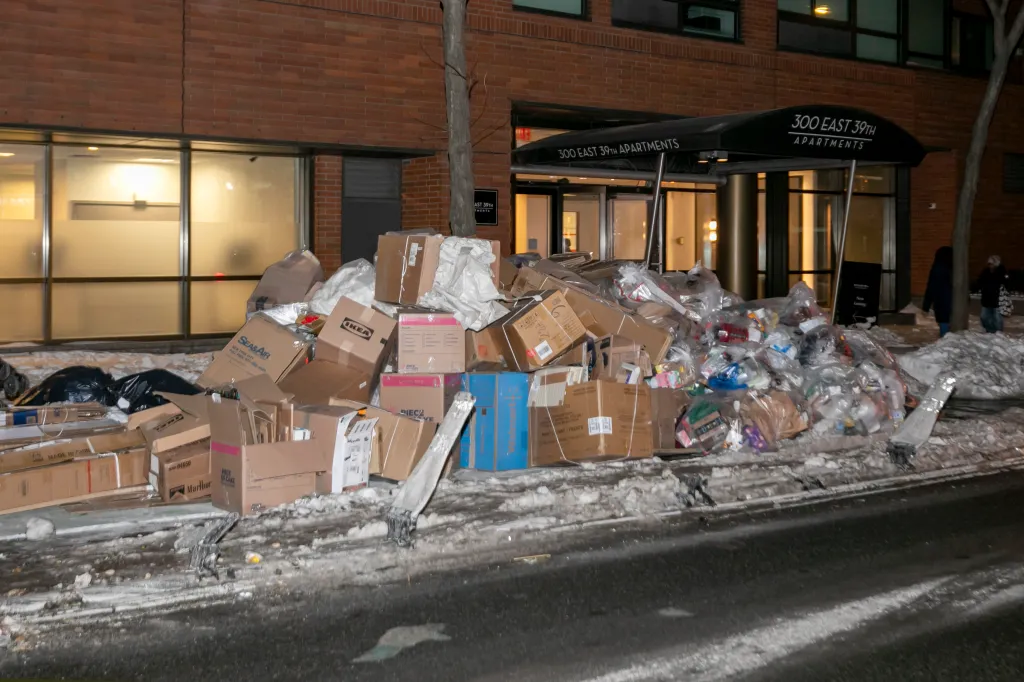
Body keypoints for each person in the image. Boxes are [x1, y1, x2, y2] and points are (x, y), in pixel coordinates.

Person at [922, 246, 953, 337]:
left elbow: (931, 287)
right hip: (953, 302)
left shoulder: (937, 268)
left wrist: (926, 306)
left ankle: (945, 340)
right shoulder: (955, 268)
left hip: (941, 301)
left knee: (944, 322)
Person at [977, 255, 1007, 333]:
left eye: (992, 263)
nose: (990, 265)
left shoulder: (1001, 271)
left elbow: (1005, 283)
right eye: (989, 263)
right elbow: (980, 281)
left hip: (997, 300)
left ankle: (998, 333)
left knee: (997, 318)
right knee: (984, 317)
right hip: (986, 299)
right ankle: (989, 331)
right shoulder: (986, 272)